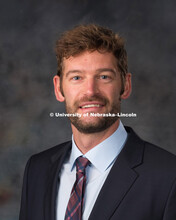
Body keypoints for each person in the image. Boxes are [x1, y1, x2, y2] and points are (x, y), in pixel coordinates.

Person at [19, 24, 176, 220]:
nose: (91, 91)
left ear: (125, 85)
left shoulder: (169, 176)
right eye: (76, 77)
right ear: (59, 89)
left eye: (104, 77)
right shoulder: (37, 169)